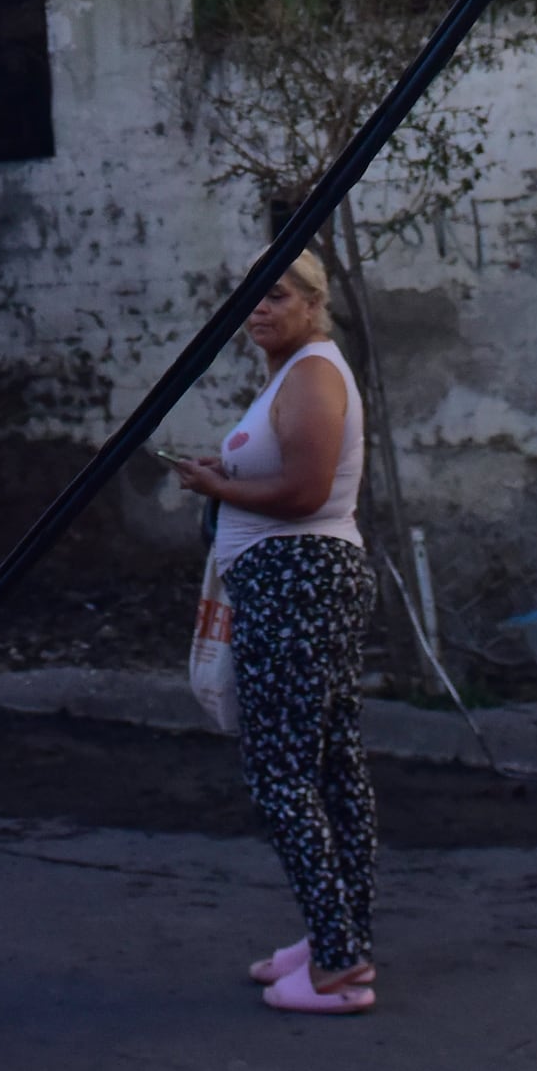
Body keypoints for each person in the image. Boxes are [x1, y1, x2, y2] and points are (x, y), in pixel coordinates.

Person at [163, 248, 377, 1016]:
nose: (259, 308)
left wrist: (217, 484)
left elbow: (304, 489)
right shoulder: (293, 372)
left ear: (313, 303)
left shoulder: (315, 371)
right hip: (298, 582)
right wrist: (225, 472)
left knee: (284, 774)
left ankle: (339, 961)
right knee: (331, 766)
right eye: (251, 295)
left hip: (299, 583)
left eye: (276, 294)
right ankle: (338, 934)